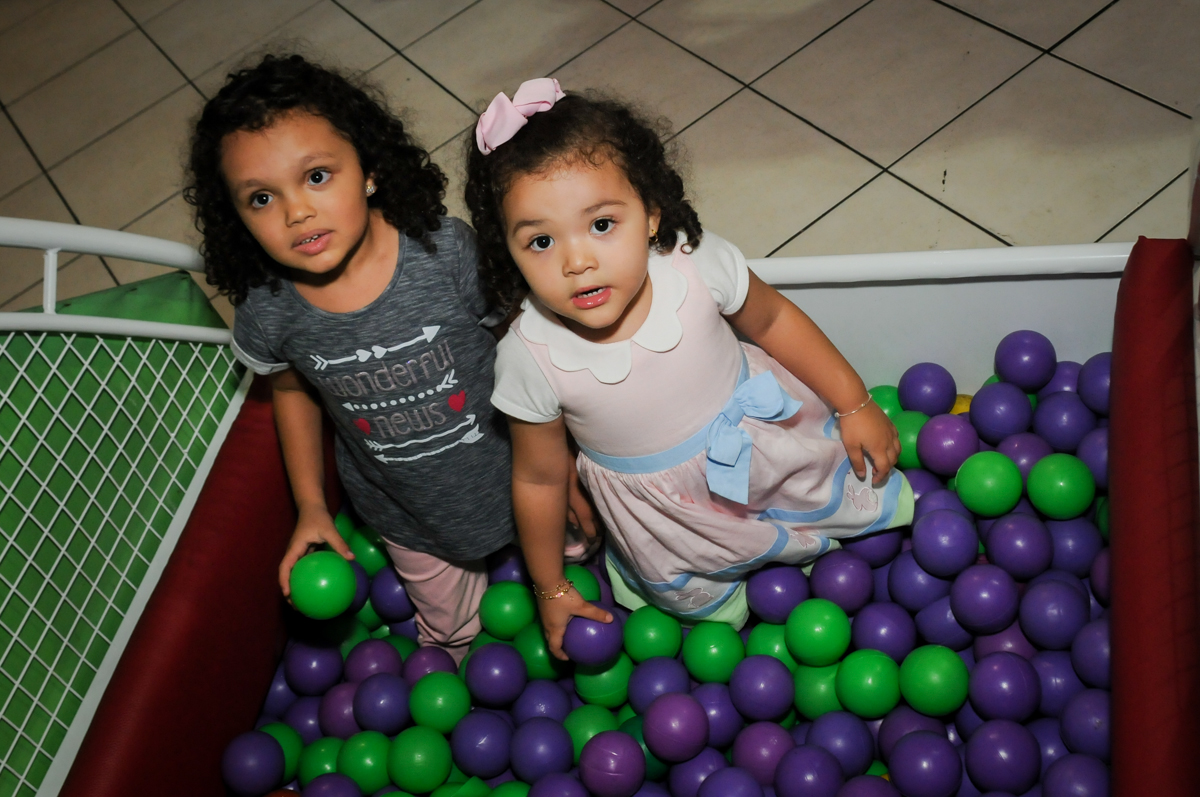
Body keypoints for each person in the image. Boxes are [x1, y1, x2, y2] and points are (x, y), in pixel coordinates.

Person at [466, 79, 914, 658]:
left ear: (650, 214)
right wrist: (548, 586)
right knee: (709, 625)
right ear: (508, 250)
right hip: (665, 518)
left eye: (602, 224)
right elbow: (539, 478)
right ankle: (723, 612)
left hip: (766, 444)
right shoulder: (529, 357)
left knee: (850, 502)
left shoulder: (695, 267)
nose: (577, 261)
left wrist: (855, 404)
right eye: (542, 241)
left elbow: (774, 319)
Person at [184, 56, 593, 661]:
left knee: (580, 572)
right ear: (236, 217)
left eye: (317, 176)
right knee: (453, 640)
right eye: (262, 198)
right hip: (408, 516)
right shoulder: (270, 309)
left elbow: (527, 341)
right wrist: (313, 507)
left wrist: (569, 460)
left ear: (369, 169)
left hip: (518, 478)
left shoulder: (443, 252)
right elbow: (292, 391)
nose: (296, 212)